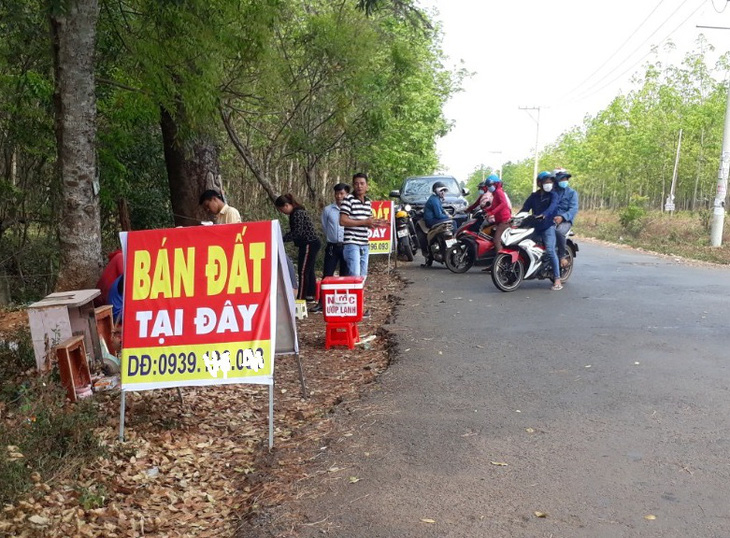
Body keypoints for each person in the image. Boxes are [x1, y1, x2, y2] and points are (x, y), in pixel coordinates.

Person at [275, 194, 322, 312]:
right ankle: (310, 294)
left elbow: (297, 232)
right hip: (309, 243)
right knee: (309, 270)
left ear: (287, 205)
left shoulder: (297, 213)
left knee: (303, 272)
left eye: (282, 209)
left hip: (308, 243)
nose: (282, 212)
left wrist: (281, 238)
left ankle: (301, 298)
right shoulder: (298, 212)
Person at [339, 173, 387, 278]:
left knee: (363, 276)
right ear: (353, 185)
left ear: (367, 186)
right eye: (356, 184)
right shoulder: (348, 199)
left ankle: (360, 295)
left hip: (364, 243)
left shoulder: (368, 202)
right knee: (355, 276)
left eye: (362, 183)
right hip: (352, 243)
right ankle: (353, 294)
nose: (359, 186)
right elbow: (342, 221)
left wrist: (376, 223)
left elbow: (367, 222)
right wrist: (364, 222)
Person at [519, 171, 561, 290]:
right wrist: (516, 218)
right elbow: (525, 208)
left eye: (550, 182)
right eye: (546, 182)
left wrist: (544, 215)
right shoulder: (534, 196)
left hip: (548, 226)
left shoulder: (553, 195)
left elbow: (552, 207)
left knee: (550, 250)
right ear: (540, 183)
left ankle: (557, 279)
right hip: (534, 226)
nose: (549, 184)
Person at [321, 183, 350, 278]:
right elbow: (325, 227)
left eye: (342, 193)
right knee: (327, 273)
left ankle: (344, 292)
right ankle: (326, 292)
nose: (339, 196)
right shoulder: (327, 210)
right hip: (332, 247)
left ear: (347, 195)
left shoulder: (351, 209)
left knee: (345, 275)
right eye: (337, 193)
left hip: (347, 246)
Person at [553, 168, 579, 268]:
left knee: (559, 232)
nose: (564, 181)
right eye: (561, 179)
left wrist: (562, 217)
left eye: (565, 179)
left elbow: (573, 209)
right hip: (552, 219)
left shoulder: (572, 193)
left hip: (565, 221)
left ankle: (562, 256)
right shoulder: (553, 192)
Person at [483, 174, 512, 252]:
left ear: (495, 184)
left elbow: (503, 204)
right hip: (499, 220)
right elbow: (494, 206)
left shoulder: (499, 192)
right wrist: (487, 210)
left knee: (496, 241)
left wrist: (492, 212)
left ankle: (500, 260)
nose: (489, 187)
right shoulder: (495, 193)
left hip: (504, 221)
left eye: (490, 185)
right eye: (488, 185)